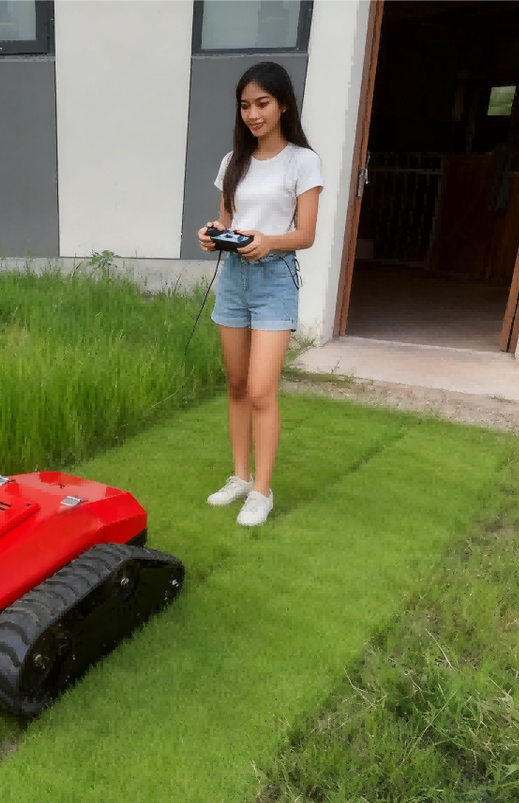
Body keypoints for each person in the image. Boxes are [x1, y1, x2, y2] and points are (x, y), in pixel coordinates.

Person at [198, 61, 322, 527]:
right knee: (235, 385)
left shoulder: (303, 161)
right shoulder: (233, 161)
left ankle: (262, 492)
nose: (253, 114)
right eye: (245, 105)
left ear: (283, 104)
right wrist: (213, 234)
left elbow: (306, 234)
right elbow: (227, 221)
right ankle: (240, 476)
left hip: (275, 280)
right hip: (234, 279)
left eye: (262, 104)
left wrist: (269, 241)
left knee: (261, 390)